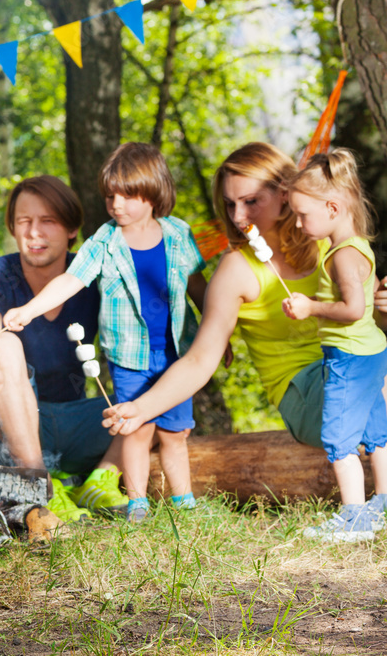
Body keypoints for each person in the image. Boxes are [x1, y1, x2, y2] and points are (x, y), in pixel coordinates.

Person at [103, 142, 387, 487]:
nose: (238, 217)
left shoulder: (331, 241)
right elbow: (199, 361)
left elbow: (367, 326)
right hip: (305, 392)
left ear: (286, 194)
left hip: (353, 368)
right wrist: (142, 408)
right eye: (230, 204)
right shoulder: (236, 270)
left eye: (251, 201)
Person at [3, 143, 208, 523]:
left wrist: (217, 334)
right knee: (135, 428)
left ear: (154, 192)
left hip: (178, 355)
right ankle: (137, 503)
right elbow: (72, 278)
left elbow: (196, 285)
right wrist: (29, 310)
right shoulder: (104, 241)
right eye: (110, 195)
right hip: (130, 357)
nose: (116, 204)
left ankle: (185, 502)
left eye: (127, 195)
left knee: (176, 432)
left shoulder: (178, 234)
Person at [0, 174, 128, 523]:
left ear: (71, 229)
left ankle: (98, 480)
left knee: (147, 392)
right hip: (5, 423)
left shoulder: (93, 278)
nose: (34, 232)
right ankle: (39, 486)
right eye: (24, 222)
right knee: (2, 343)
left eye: (47, 221)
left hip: (73, 420)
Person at [282, 149, 387, 542]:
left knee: (340, 439)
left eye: (302, 214)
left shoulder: (343, 256)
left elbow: (353, 309)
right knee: (377, 430)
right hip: (372, 352)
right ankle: (382, 503)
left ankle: (355, 518)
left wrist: (311, 307)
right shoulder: (356, 245)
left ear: (332, 206)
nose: (297, 221)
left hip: (350, 357)